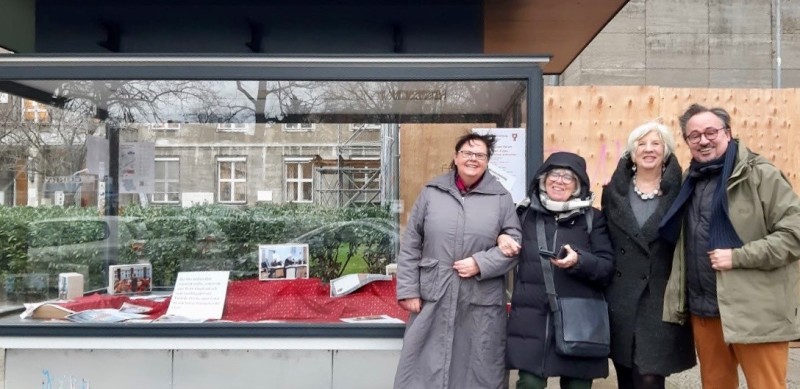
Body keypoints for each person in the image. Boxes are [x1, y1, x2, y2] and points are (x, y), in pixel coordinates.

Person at [659, 103, 800, 389]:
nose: (703, 140)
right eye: (694, 135)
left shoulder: (760, 174)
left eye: (711, 131)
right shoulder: (690, 181)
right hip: (705, 312)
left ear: (728, 132)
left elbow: (794, 234)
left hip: (757, 313)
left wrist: (739, 257)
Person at [393, 132, 522, 389]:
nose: (473, 159)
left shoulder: (501, 198)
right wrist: (408, 289)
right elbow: (410, 245)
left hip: (479, 299)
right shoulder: (432, 192)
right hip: (434, 295)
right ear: (456, 157)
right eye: (467, 153)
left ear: (487, 161)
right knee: (423, 369)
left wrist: (480, 263)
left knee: (477, 370)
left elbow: (514, 247)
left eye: (480, 155)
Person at [500, 151, 615, 389]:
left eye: (567, 176)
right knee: (529, 384)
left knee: (577, 386)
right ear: (543, 179)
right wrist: (502, 236)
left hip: (579, 321)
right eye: (553, 174)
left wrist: (580, 261)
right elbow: (502, 237)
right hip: (532, 321)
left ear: (578, 184)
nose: (559, 181)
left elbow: (606, 267)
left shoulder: (593, 219)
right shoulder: (524, 215)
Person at [601, 121, 695, 389]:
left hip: (661, 298)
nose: (648, 149)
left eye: (656, 143)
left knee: (650, 378)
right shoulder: (612, 192)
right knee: (627, 377)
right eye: (641, 144)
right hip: (621, 298)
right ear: (631, 153)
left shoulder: (683, 192)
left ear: (666, 151)